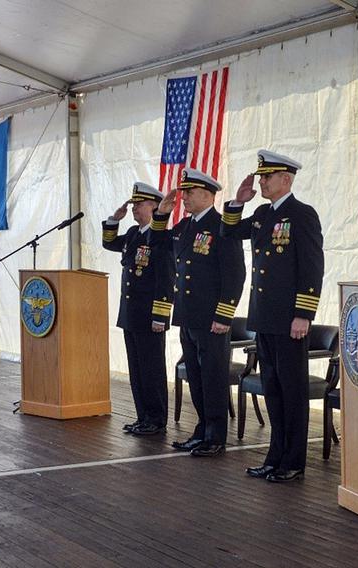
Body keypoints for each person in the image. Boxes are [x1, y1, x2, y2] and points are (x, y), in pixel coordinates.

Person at [221, 151, 324, 482]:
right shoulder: (263, 214)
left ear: (287, 180)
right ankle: (274, 456)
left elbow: (312, 267)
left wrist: (304, 314)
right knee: (274, 390)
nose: (261, 181)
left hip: (289, 320)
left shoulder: (302, 215)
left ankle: (293, 461)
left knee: (292, 392)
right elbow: (229, 233)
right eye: (261, 176)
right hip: (264, 318)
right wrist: (238, 202)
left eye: (267, 177)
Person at [149, 168, 245, 457]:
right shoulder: (185, 227)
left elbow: (234, 274)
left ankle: (215, 436)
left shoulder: (222, 225)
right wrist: (161, 216)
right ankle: (202, 428)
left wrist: (225, 314)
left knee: (213, 376)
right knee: (196, 375)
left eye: (189, 193)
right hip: (188, 316)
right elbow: (157, 245)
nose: (184, 198)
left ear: (206, 194)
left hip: (211, 317)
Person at [102, 182, 174, 436]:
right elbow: (109, 243)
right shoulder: (134, 233)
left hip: (149, 315)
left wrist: (160, 315)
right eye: (133, 205)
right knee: (137, 370)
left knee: (151, 369)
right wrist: (114, 219)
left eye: (139, 205)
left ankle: (156, 419)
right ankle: (143, 416)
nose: (134, 209)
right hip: (131, 313)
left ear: (155, 206)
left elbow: (166, 278)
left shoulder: (162, 237)